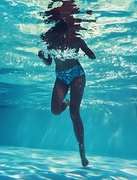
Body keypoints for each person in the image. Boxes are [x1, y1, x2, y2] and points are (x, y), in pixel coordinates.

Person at [38, 21, 96, 167]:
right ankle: (67, 102)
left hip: (77, 75)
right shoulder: (50, 44)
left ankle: (82, 153)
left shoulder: (77, 41)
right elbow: (48, 63)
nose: (62, 38)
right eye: (59, 35)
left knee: (74, 114)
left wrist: (88, 53)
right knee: (55, 110)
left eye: (64, 35)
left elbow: (92, 55)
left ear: (67, 33)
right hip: (61, 77)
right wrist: (42, 58)